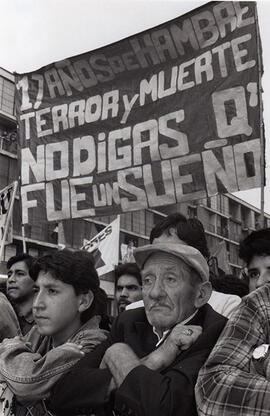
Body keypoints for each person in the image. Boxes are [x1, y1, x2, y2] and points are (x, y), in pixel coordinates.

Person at [47, 234, 227, 416]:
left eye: (170, 279)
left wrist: (119, 356)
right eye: (148, 280)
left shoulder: (216, 330)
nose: (155, 293)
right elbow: (62, 394)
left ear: (201, 295)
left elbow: (166, 408)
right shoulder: (129, 321)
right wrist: (155, 359)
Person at [0, 249, 108, 416]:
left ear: (84, 300)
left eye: (52, 291)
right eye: (36, 291)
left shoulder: (93, 344)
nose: (37, 304)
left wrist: (9, 346)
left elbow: (26, 383)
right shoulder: (40, 333)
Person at [195, 227, 270, 415]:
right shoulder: (256, 305)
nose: (261, 282)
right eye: (254, 274)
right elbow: (213, 391)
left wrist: (260, 361)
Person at [149, 213, 241, 318]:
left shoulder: (226, 306)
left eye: (175, 255)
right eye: (156, 254)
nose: (163, 261)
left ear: (202, 260)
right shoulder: (133, 313)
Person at [6, 253, 36, 335]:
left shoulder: (43, 321)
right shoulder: (4, 316)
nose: (11, 280)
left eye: (20, 274)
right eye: (9, 275)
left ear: (36, 281)